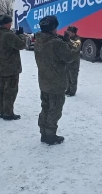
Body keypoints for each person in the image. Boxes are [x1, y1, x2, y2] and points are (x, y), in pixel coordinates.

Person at [34, 16, 81, 145]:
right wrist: (74, 45)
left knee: (45, 107)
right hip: (56, 82)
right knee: (54, 110)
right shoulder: (56, 43)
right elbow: (70, 56)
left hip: (44, 81)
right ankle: (50, 135)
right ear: (53, 28)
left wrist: (63, 41)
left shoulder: (39, 39)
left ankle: (44, 132)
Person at [0, 14, 26, 120]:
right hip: (11, 66)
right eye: (10, 23)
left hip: (1, 65)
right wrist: (20, 35)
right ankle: (8, 112)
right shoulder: (8, 35)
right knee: (11, 91)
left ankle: (2, 110)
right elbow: (21, 45)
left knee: (2, 89)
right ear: (7, 24)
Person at [64, 26, 82, 96]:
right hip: (67, 61)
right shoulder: (68, 39)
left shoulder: (77, 39)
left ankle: (72, 91)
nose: (68, 33)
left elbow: (75, 48)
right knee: (67, 76)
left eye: (70, 32)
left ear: (73, 33)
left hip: (74, 62)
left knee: (73, 77)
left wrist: (68, 41)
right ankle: (68, 89)